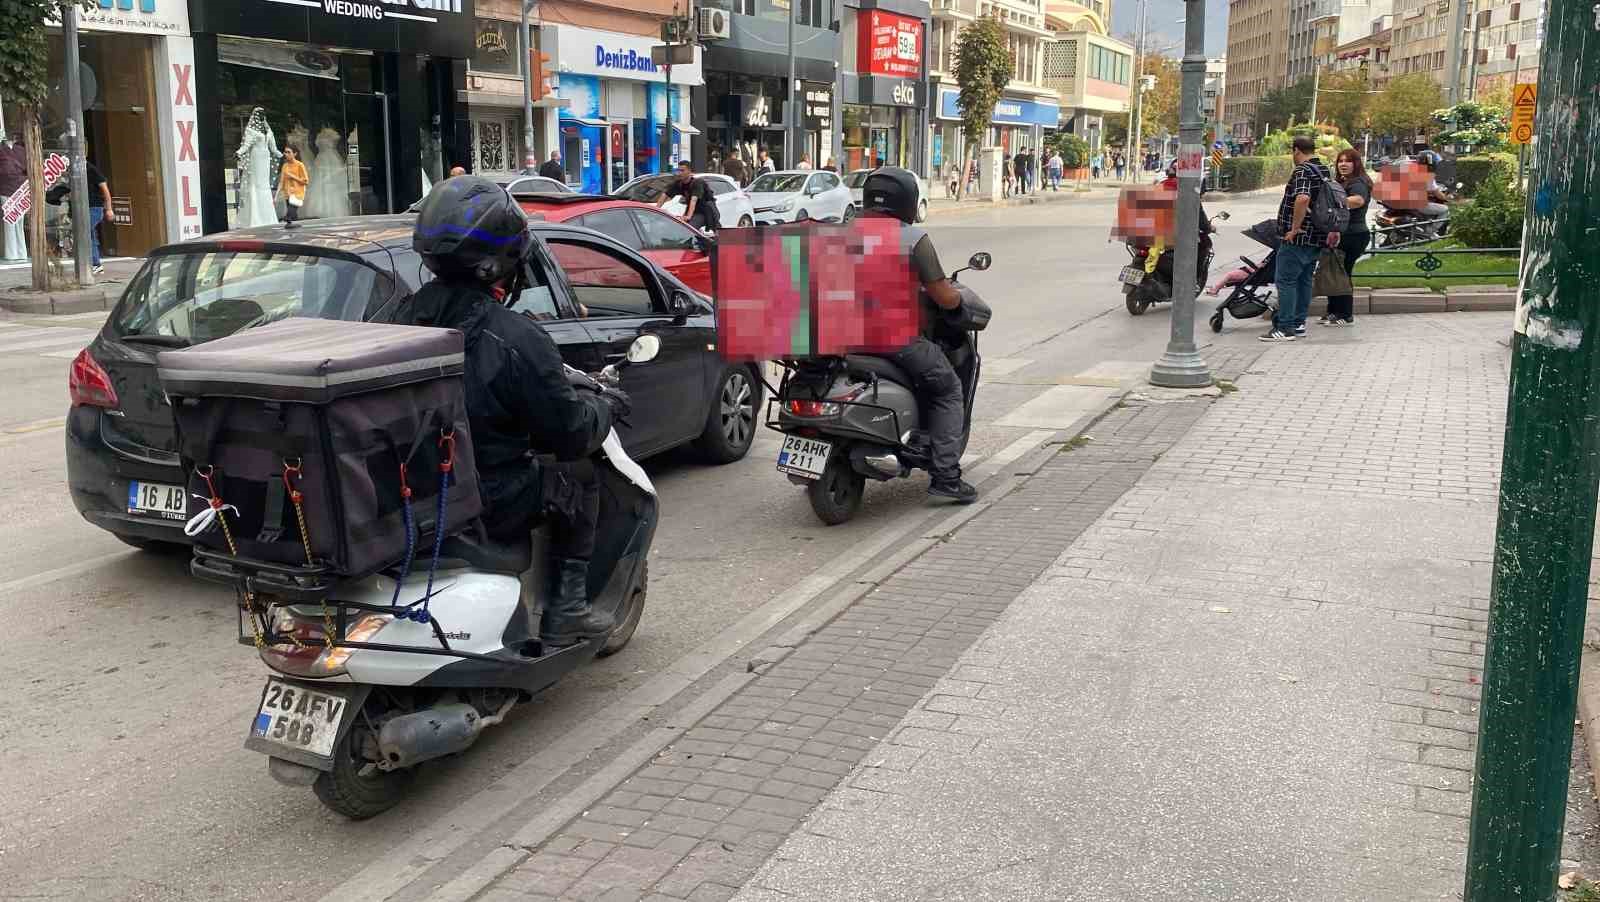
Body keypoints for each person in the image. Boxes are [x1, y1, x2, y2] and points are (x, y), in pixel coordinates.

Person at [399, 176, 620, 644]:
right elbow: (571, 433)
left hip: (409, 490)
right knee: (578, 477)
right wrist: (602, 405)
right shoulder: (516, 338)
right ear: (500, 264)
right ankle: (567, 609)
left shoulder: (397, 318)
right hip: (487, 496)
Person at [860, 167, 977, 505]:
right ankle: (945, 476)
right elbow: (942, 295)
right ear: (907, 201)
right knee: (949, 389)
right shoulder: (912, 239)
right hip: (893, 340)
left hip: (841, 339)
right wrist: (957, 302)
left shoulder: (840, 233)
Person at [1262, 135, 1334, 342]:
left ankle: (1285, 328)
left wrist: (1294, 229)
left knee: (1285, 280)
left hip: (1299, 237)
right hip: (1318, 235)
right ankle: (1299, 323)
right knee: (1304, 281)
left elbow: (1302, 198)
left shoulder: (1302, 170)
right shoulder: (1323, 169)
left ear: (1296, 150)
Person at [1321, 148, 1372, 327]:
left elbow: (1358, 200)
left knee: (1342, 274)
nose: (1343, 164)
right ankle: (1333, 311)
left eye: (1347, 161)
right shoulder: (1344, 181)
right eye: (1340, 161)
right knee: (1334, 273)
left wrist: (1332, 203)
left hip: (1353, 234)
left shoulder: (1358, 182)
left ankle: (1345, 314)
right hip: (1342, 233)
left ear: (1356, 163)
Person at [660, 160, 717, 230]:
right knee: (679, 227)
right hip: (692, 211)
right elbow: (665, 194)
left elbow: (693, 200)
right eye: (678, 170)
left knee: (689, 229)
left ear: (689, 171)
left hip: (704, 212)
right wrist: (656, 209)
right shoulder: (679, 183)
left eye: (682, 170)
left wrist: (688, 216)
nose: (679, 173)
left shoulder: (697, 182)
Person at [84, 160, 111, 275]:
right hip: (86, 207)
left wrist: (109, 209)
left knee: (88, 233)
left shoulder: (92, 170)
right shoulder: (78, 170)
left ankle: (96, 264)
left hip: (94, 208)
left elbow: (105, 190)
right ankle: (94, 264)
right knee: (90, 234)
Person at [276, 146, 309, 223]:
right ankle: (295, 233)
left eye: (288, 152)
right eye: (285, 152)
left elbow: (306, 181)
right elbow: (281, 181)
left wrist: (292, 176)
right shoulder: (285, 166)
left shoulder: (300, 165)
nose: (286, 154)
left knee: (289, 215)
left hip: (297, 193)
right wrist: (276, 195)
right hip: (287, 193)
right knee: (292, 218)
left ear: (295, 154)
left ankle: (289, 219)